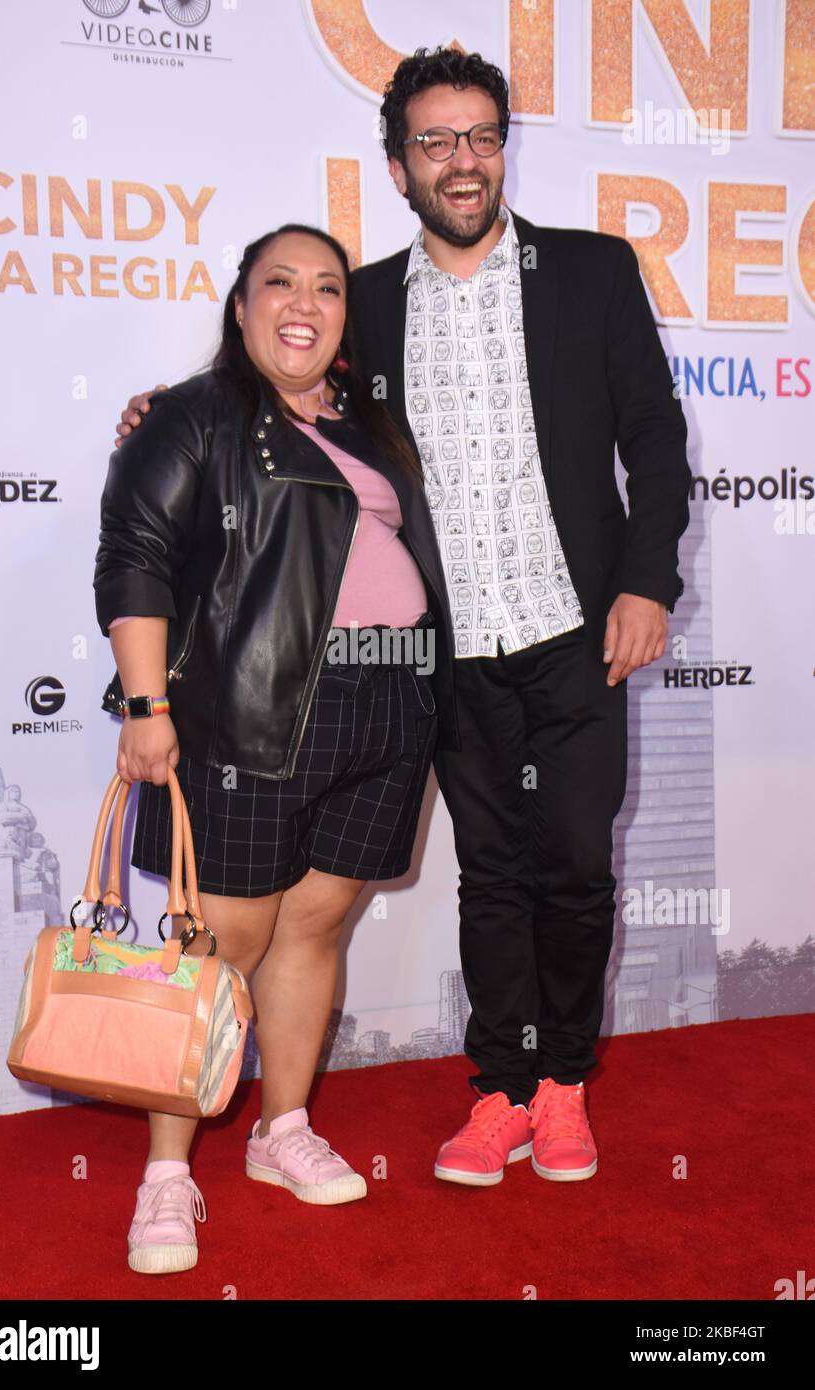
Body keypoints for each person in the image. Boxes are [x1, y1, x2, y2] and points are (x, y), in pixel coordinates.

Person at [113, 48, 691, 1192]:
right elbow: (284, 373)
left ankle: (563, 1082)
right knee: (489, 874)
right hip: (447, 656)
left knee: (573, 869)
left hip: (578, 634)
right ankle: (500, 1091)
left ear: (502, 146)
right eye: (435, 142)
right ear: (398, 165)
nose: (461, 161)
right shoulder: (365, 302)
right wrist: (166, 405)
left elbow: (658, 443)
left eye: (479, 136)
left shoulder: (592, 271)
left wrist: (648, 582)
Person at [94, 222, 457, 1274]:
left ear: (346, 315)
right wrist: (144, 703)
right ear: (242, 304)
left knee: (317, 930)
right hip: (248, 715)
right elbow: (137, 562)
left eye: (328, 288)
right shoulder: (193, 416)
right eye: (280, 283)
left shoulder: (375, 425)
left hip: (388, 709)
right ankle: (167, 1173)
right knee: (220, 943)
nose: (305, 302)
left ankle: (279, 1129)